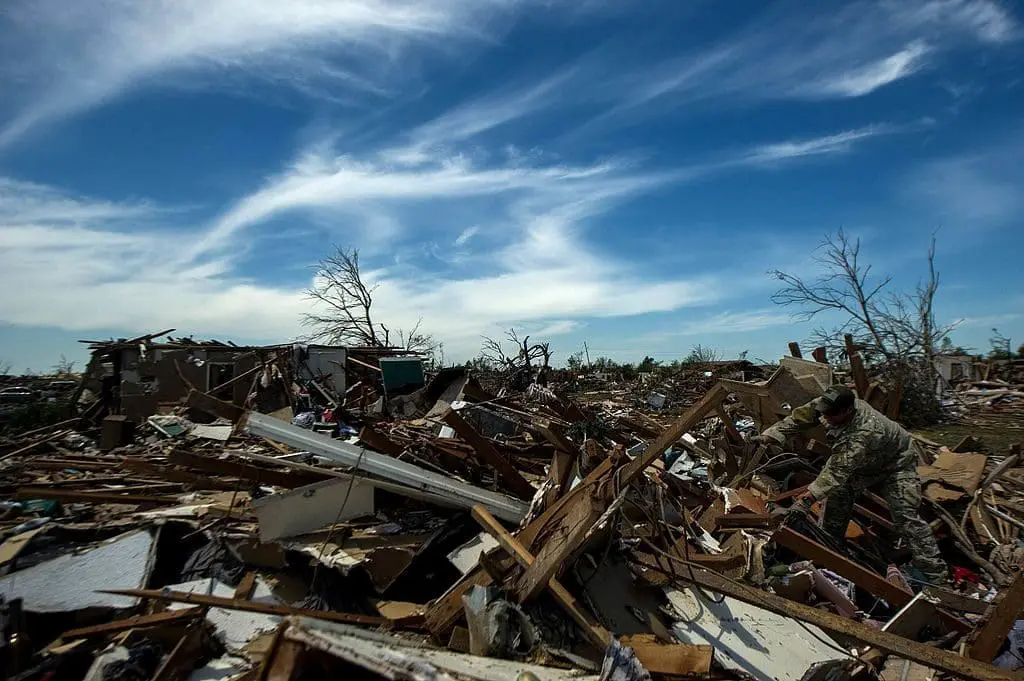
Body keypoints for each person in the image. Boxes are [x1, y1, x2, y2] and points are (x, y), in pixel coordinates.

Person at [754, 385, 949, 584]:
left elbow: (835, 471)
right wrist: (771, 434)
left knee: (906, 517)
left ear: (848, 410)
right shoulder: (831, 404)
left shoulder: (864, 431)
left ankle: (937, 577)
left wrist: (806, 501)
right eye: (824, 412)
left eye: (831, 415)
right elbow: (801, 416)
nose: (826, 418)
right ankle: (830, 548)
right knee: (838, 497)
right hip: (863, 464)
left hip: (895, 465)